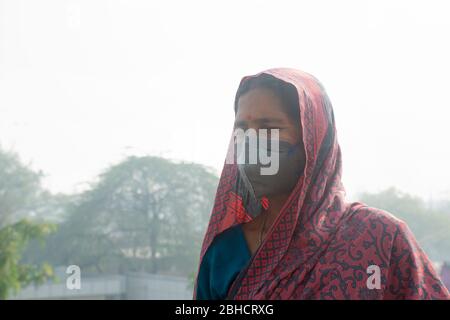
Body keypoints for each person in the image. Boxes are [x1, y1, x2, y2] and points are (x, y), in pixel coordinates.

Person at [193, 68, 450, 300]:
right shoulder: (223, 253)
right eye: (242, 129)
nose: (251, 143)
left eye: (268, 127)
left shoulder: (381, 237)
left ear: (314, 141)